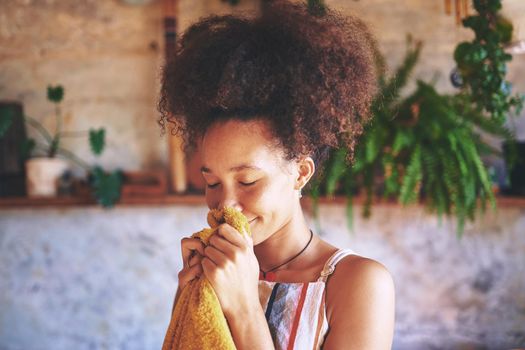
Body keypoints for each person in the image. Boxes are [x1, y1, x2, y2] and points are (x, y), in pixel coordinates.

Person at [158, 1, 395, 349]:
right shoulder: (211, 274)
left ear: (300, 172)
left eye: (248, 181)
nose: (226, 204)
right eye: (211, 182)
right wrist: (190, 297)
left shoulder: (358, 283)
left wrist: (243, 309)